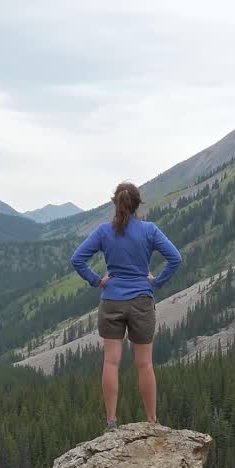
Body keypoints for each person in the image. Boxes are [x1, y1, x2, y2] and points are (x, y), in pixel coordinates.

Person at [71, 181, 182, 430]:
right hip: (141, 301)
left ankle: (111, 421)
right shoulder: (149, 230)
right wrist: (157, 282)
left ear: (115, 203)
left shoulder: (103, 232)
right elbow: (175, 258)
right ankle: (152, 421)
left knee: (111, 362)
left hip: (111, 300)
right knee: (144, 364)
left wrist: (97, 280)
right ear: (137, 204)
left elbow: (77, 259)